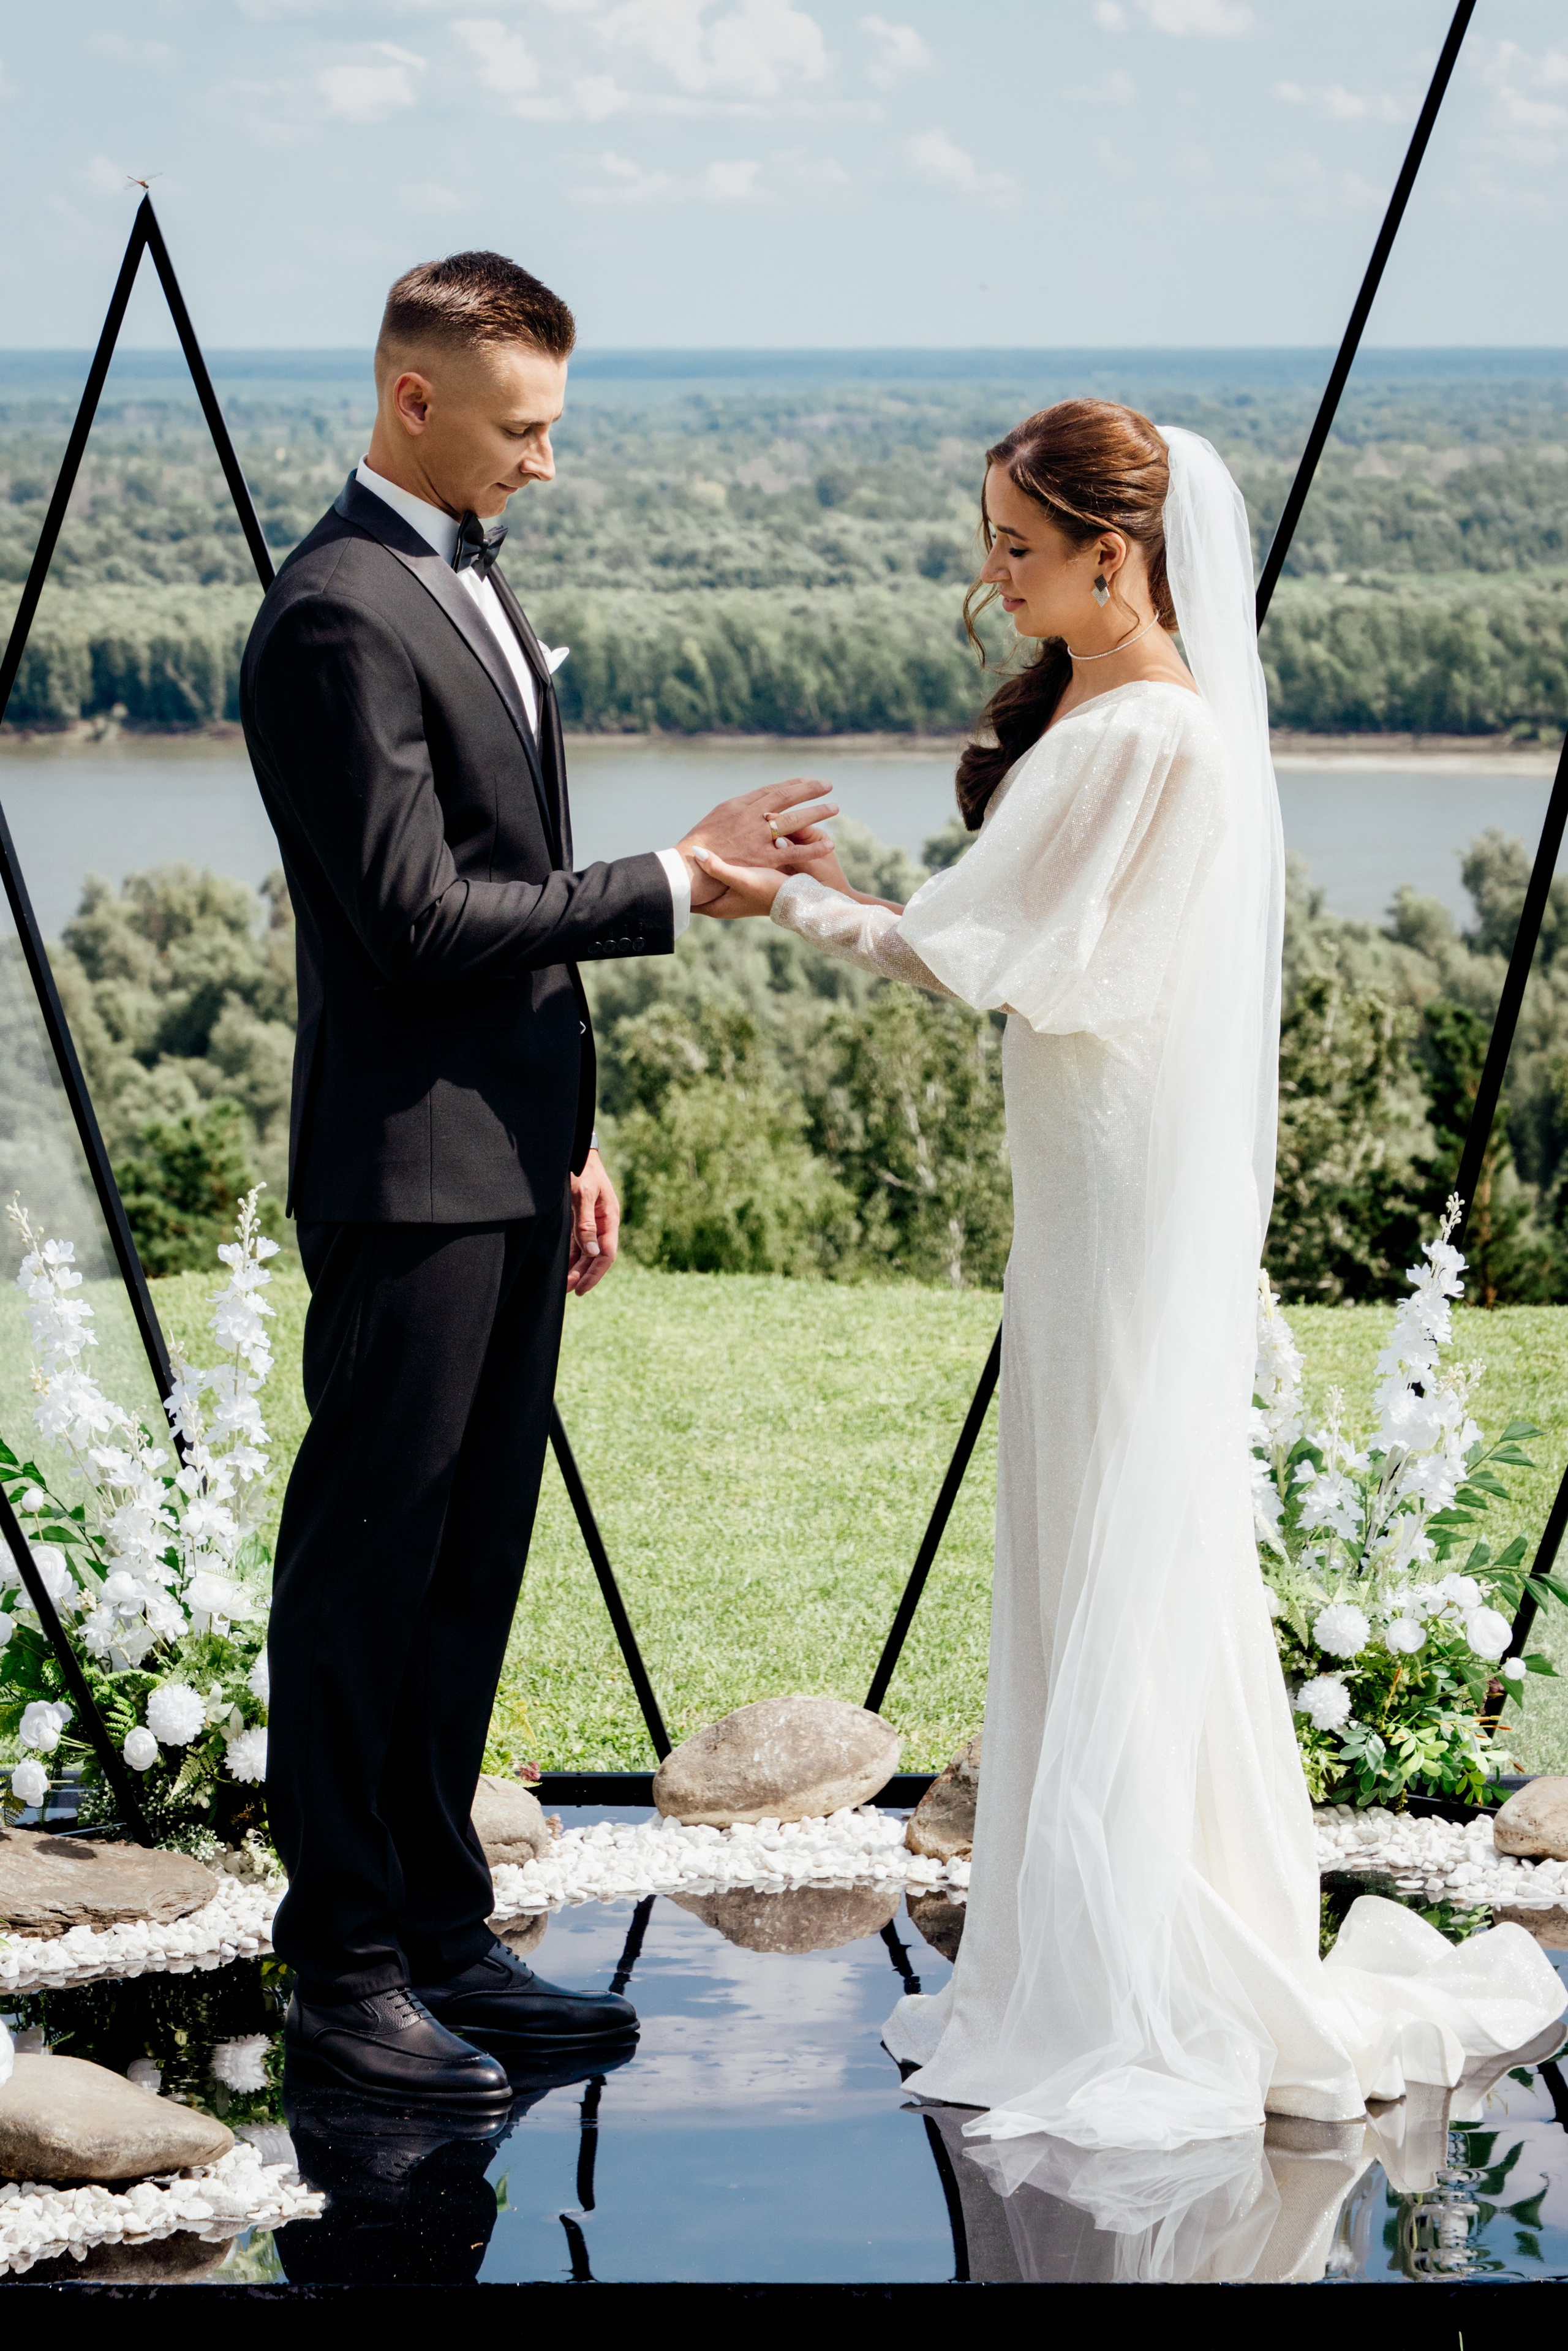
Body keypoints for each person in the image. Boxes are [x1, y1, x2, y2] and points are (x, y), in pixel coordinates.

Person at [692, 401, 1567, 2154]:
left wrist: (780, 902)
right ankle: (1133, 1916)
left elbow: (982, 958)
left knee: (1102, 1528)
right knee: (1126, 1534)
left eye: (1018, 547)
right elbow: (1030, 945)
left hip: (1107, 1191)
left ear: (1120, 552)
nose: (990, 574)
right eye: (992, 543)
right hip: (1110, 1173)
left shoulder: (1138, 735)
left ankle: (1119, 1970)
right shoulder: (1149, 715)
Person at [240, 249, 835, 2107]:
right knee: (366, 1570)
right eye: (523, 430)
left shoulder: (464, 583)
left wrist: (571, 1134)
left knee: (469, 1569)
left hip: (501, 1162)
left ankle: (435, 1932)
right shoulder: (338, 611)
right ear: (412, 400)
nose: (547, 466)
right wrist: (672, 878)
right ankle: (338, 1967)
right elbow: (415, 920)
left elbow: (502, 911)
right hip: (406, 1179)